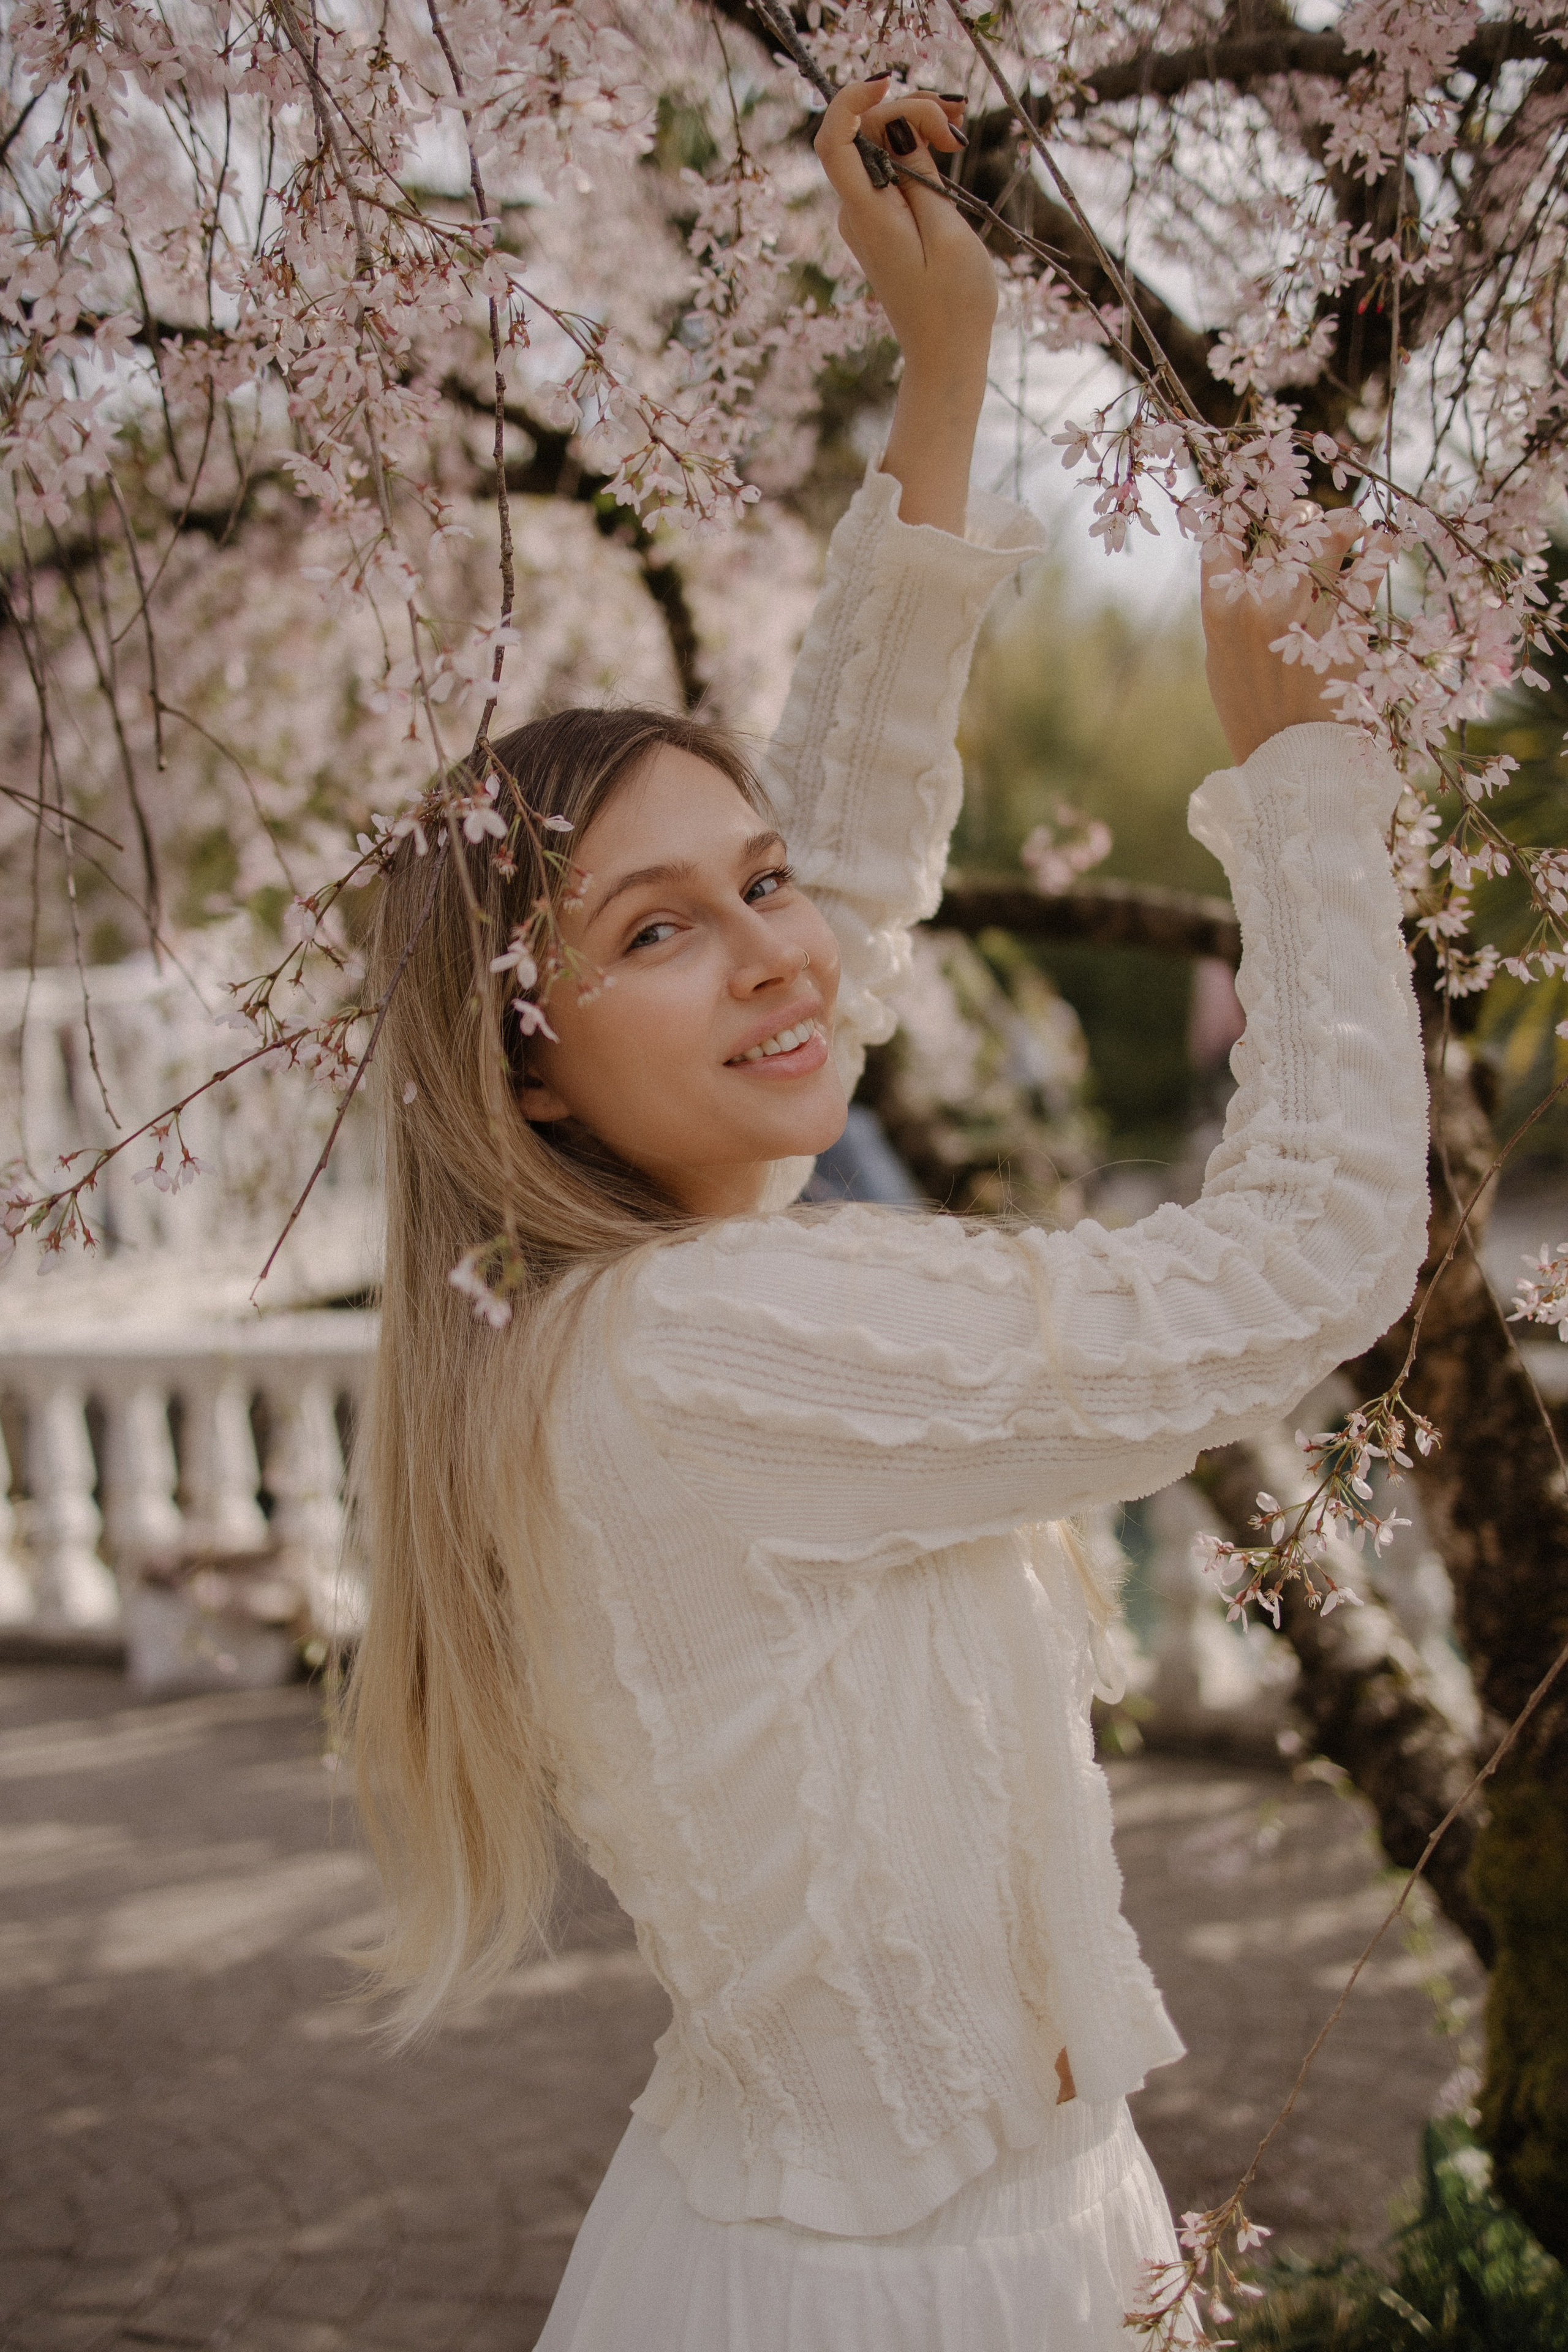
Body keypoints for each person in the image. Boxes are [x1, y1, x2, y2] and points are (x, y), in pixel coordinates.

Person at [348, 76, 1430, 2352]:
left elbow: (840, 894)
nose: (769, 951)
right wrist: (1306, 783)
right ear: (524, 1053)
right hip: (886, 2299)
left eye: (754, 889)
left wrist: (941, 388)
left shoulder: (622, 1305)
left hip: (989, 2238)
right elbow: (1308, 1265)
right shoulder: (700, 1359)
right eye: (655, 932)